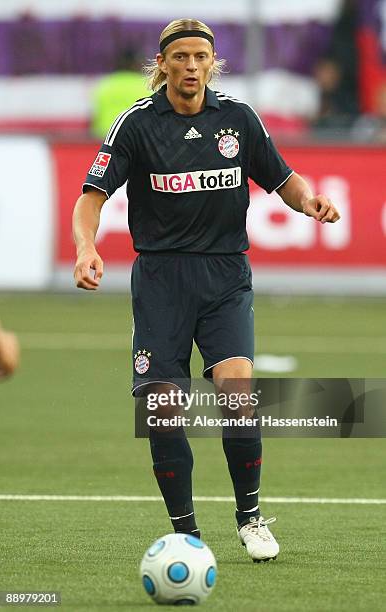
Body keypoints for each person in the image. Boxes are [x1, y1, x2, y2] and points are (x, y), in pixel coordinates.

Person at [72, 18, 340, 563]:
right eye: (181, 57)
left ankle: (250, 516)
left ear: (212, 62)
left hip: (224, 276)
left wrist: (310, 202)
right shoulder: (137, 125)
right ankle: (185, 533)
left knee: (237, 391)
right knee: (164, 409)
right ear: (163, 63)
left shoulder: (238, 120)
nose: (191, 66)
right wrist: (85, 247)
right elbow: (92, 196)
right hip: (161, 281)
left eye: (201, 57)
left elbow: (283, 178)